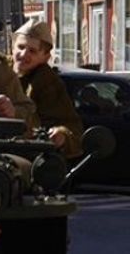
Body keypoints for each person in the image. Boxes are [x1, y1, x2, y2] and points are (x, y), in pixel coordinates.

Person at [11, 19, 83, 158]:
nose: (24, 54)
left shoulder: (48, 83)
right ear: (12, 47)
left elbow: (72, 127)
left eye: (32, 51)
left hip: (27, 154)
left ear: (45, 57)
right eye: (20, 47)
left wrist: (61, 135)